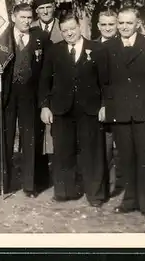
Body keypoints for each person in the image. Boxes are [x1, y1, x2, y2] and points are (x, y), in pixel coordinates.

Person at [103, 6, 145, 222]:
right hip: (120, 112)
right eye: (121, 23)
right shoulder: (109, 47)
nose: (124, 27)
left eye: (128, 23)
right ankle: (129, 200)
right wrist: (105, 105)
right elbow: (105, 82)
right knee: (126, 159)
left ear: (137, 23)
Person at [39, 11, 107, 207]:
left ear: (80, 28)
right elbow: (45, 81)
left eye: (72, 29)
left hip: (89, 109)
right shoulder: (54, 51)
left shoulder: (96, 49)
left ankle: (95, 194)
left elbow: (105, 81)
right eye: (65, 30)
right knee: (62, 151)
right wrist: (45, 106)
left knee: (92, 152)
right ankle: (64, 191)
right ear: (61, 31)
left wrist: (104, 105)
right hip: (62, 109)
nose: (69, 33)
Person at [0, 3, 52, 197]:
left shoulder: (40, 38)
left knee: (30, 139)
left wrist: (43, 101)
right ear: (14, 17)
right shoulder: (3, 35)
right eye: (22, 17)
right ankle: (1, 185)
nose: (26, 21)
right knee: (4, 139)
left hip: (30, 95)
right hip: (8, 94)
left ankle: (29, 186)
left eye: (29, 17)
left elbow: (45, 72)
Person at [31, 0, 63, 160]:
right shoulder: (30, 27)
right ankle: (40, 174)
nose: (44, 11)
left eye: (48, 7)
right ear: (36, 11)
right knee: (35, 130)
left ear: (54, 7)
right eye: (41, 8)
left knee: (56, 129)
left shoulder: (63, 27)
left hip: (58, 84)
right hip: (34, 86)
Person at [94, 8, 122, 197]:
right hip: (98, 106)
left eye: (111, 24)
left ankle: (119, 183)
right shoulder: (92, 46)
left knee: (120, 147)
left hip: (121, 104)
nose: (107, 28)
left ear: (117, 25)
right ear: (98, 26)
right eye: (103, 24)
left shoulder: (125, 45)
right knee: (102, 147)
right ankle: (104, 186)